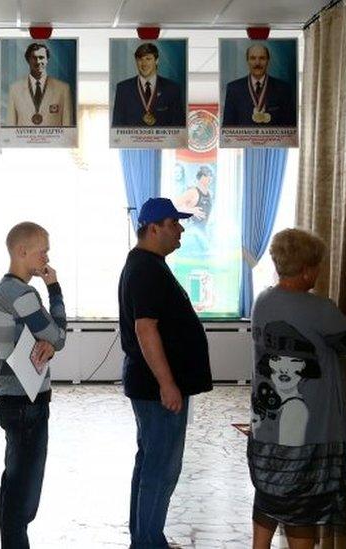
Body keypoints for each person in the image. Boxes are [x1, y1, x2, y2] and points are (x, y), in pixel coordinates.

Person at [248, 228, 346, 549]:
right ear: (307, 269)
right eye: (317, 265)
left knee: (268, 501)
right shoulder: (318, 309)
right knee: (302, 513)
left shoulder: (263, 301)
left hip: (265, 433)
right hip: (309, 441)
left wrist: (340, 320)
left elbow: (316, 335)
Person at [117, 197, 213, 548]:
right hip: (156, 388)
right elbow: (146, 329)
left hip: (151, 385)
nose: (181, 229)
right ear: (153, 227)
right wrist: (167, 383)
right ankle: (148, 542)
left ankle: (145, 537)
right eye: (174, 223)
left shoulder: (148, 265)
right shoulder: (145, 268)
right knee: (161, 468)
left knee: (151, 463)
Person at [0, 221, 67, 548]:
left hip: (20, 400)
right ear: (22, 252)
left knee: (17, 485)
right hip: (24, 404)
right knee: (22, 493)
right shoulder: (19, 292)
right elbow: (57, 334)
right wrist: (55, 289)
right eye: (43, 250)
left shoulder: (8, 290)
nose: (47, 256)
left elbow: (46, 339)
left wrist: (50, 342)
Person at [112, 43, 185, 127]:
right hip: (132, 140)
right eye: (140, 59)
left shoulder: (172, 89)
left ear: (156, 60)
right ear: (136, 61)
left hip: (163, 140)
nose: (144, 64)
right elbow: (117, 125)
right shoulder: (123, 88)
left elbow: (179, 126)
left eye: (148, 59)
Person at [222, 43, 295, 127]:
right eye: (253, 58)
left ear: (268, 60)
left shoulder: (283, 89)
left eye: (262, 58)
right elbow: (228, 127)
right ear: (247, 61)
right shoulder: (234, 88)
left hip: (274, 140)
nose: (257, 63)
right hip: (243, 140)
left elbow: (290, 126)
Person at [5, 43, 72, 127]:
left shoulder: (63, 89)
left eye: (41, 57)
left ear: (47, 59)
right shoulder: (15, 89)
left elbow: (67, 129)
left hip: (53, 140)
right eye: (34, 58)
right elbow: (10, 126)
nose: (38, 61)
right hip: (24, 140)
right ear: (28, 60)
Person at [173, 165, 214, 251]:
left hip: (203, 230)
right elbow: (173, 206)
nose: (210, 178)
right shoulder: (192, 192)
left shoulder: (210, 193)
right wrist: (190, 210)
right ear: (201, 177)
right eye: (208, 175)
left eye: (211, 175)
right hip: (191, 233)